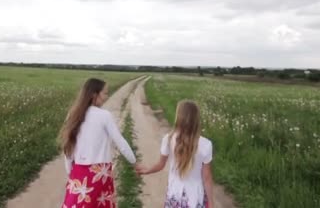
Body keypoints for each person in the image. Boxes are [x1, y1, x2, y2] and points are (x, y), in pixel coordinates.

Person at [59, 78, 140, 207]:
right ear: (94, 95)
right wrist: (134, 162)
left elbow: (68, 148)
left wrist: (70, 172)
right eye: (105, 93)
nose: (107, 97)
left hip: (79, 172)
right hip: (100, 174)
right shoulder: (104, 115)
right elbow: (120, 142)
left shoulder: (73, 114)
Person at [138, 100, 214, 208]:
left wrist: (147, 170)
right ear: (196, 120)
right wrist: (211, 203)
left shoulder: (168, 139)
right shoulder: (206, 145)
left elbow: (160, 165)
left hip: (174, 194)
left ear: (178, 118)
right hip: (195, 197)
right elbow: (207, 178)